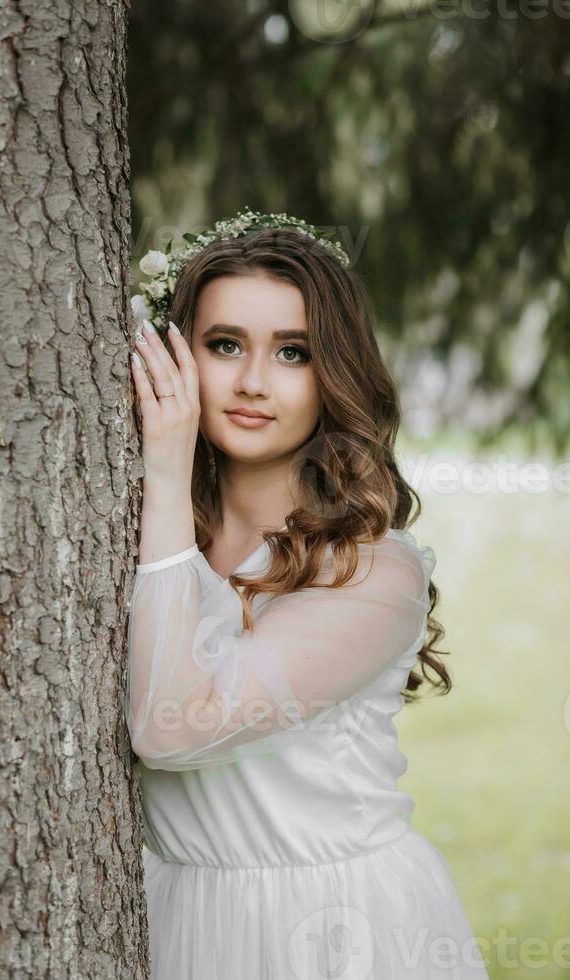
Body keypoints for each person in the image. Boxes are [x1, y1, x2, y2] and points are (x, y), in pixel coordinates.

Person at [125, 212, 490, 979]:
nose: (253, 381)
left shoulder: (373, 573)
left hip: (335, 927)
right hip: (180, 911)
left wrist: (164, 468)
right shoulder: (136, 532)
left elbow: (171, 730)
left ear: (336, 375)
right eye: (225, 345)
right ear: (177, 353)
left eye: (294, 353)